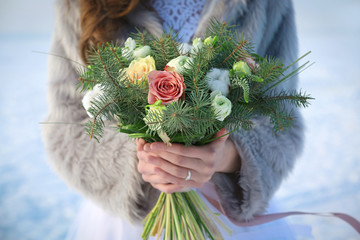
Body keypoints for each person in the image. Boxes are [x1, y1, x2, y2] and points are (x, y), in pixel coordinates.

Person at [42, 0, 310, 239]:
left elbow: (281, 117)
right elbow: (68, 124)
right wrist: (146, 158)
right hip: (131, 217)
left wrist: (226, 156)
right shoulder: (77, 4)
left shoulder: (264, 4)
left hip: (226, 214)